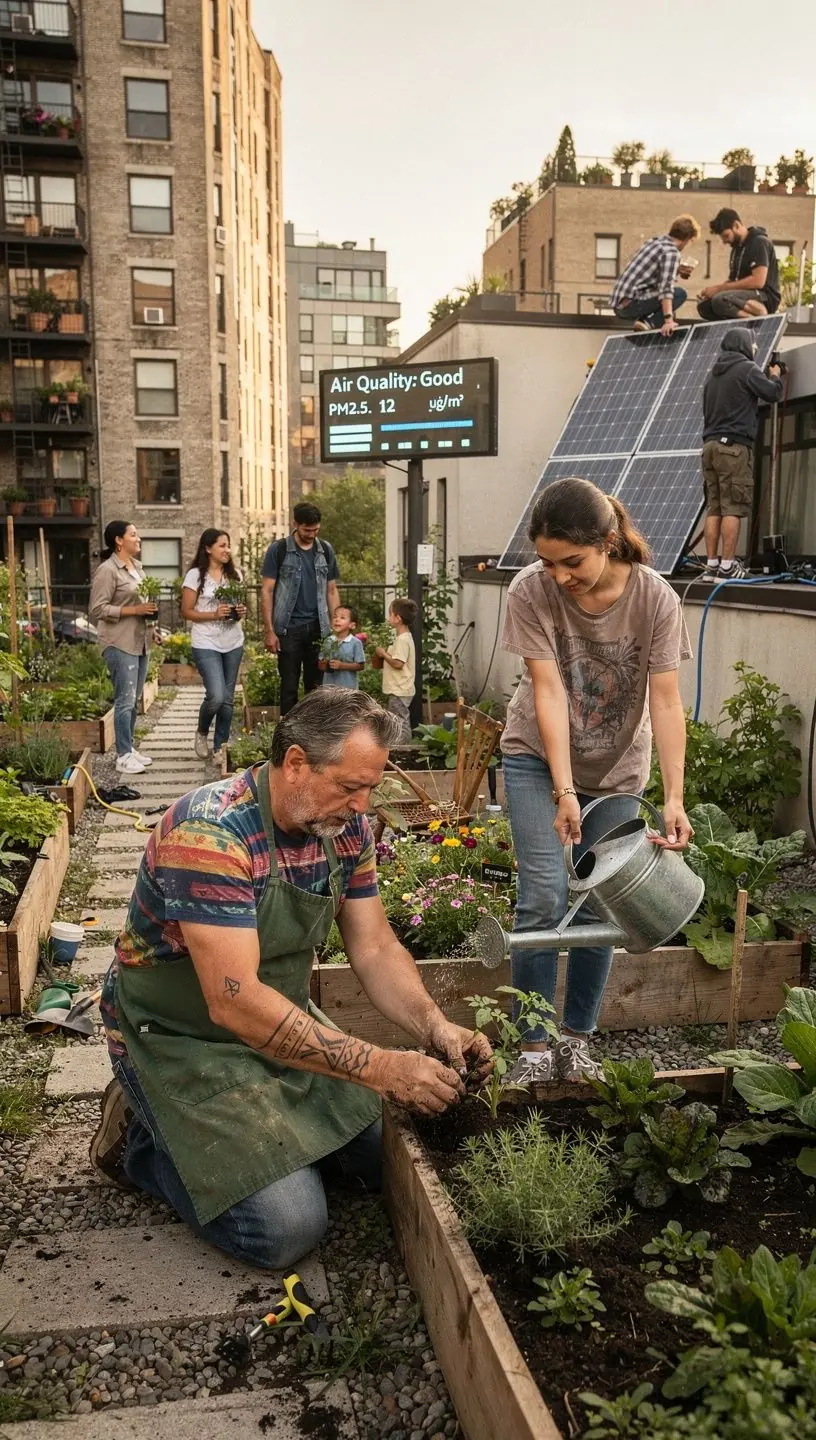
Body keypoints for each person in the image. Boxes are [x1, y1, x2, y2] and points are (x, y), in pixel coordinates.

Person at [90, 690, 492, 1270]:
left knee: (388, 1156)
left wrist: (434, 1026)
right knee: (285, 1229)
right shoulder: (211, 833)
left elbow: (375, 946)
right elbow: (234, 1003)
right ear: (297, 762)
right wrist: (380, 1066)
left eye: (372, 787)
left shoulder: (346, 830)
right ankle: (142, 1141)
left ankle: (248, 1138)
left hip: (277, 1021)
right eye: (350, 786)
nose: (362, 804)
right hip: (180, 1037)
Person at [499, 477, 693, 1084]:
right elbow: (547, 689)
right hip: (536, 757)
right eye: (547, 562)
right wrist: (562, 790)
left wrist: (674, 799)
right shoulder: (529, 592)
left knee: (599, 905)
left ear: (609, 542)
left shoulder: (656, 600)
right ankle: (532, 1048)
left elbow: (665, 703)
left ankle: (577, 1041)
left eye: (572, 562)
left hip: (617, 772)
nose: (559, 576)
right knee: (543, 897)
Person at [700, 329, 783, 580]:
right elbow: (773, 393)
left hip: (710, 447)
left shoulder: (712, 377)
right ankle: (727, 567)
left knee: (714, 508)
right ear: (744, 345)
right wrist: (776, 376)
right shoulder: (746, 368)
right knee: (733, 508)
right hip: (733, 448)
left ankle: (712, 565)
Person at [89, 520, 158, 776]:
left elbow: (144, 606)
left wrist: (154, 627)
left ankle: (129, 748)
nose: (138, 539)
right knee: (125, 700)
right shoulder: (108, 570)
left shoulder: (137, 568)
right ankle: (123, 755)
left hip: (141, 642)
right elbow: (97, 609)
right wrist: (134, 610)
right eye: (133, 535)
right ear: (119, 540)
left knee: (135, 698)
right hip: (119, 642)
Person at [262, 502, 340, 715]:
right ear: (295, 523)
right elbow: (267, 591)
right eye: (307, 530)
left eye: (316, 529)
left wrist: (338, 624)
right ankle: (287, 737)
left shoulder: (325, 550)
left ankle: (313, 736)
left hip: (319, 628)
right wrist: (269, 631)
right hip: (288, 629)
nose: (312, 534)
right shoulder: (278, 550)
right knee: (288, 687)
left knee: (316, 690)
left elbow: (331, 590)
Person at [181, 529, 247, 761]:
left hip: (233, 641)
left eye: (228, 545)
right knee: (216, 696)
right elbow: (186, 611)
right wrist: (214, 614)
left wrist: (239, 612)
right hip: (206, 641)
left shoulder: (236, 575)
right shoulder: (195, 577)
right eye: (222, 545)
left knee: (228, 699)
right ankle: (202, 731)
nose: (227, 550)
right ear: (208, 548)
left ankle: (221, 747)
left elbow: (239, 607)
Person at [610, 215, 700, 334]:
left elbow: (648, 274)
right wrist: (668, 320)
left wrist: (676, 270)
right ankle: (648, 323)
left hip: (618, 305)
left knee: (669, 307)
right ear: (688, 238)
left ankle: (647, 322)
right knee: (679, 294)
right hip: (632, 305)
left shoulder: (654, 242)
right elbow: (666, 288)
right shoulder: (672, 252)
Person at [697, 210, 780, 321]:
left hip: (764, 296)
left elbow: (758, 281)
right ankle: (740, 321)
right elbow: (733, 281)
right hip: (741, 295)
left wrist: (720, 289)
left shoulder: (759, 242)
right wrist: (712, 291)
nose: (725, 241)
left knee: (720, 299)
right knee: (705, 306)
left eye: (726, 236)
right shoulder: (736, 249)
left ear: (736, 225)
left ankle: (758, 318)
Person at [375, 598, 417, 744]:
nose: (389, 618)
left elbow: (398, 663)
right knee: (397, 718)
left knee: (400, 720)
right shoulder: (400, 637)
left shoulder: (402, 640)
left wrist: (383, 654)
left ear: (398, 618)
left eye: (390, 614)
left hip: (400, 688)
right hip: (399, 688)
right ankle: (399, 746)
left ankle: (404, 748)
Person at [319, 605, 365, 689]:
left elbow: (360, 666)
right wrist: (323, 664)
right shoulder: (328, 641)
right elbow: (322, 662)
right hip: (328, 688)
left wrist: (341, 665)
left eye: (342, 618)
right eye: (335, 617)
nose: (337, 619)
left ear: (352, 625)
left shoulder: (355, 643)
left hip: (347, 689)